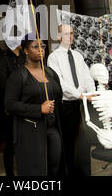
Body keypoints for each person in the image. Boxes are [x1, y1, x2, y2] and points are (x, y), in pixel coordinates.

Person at [5, 35, 66, 176]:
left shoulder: (50, 72)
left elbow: (59, 96)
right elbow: (9, 104)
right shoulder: (19, 75)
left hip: (52, 129)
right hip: (30, 132)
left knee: (55, 167)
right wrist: (39, 109)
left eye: (43, 46)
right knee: (35, 171)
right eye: (35, 46)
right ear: (26, 50)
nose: (41, 50)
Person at [47, 24, 95, 176]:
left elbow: (87, 76)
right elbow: (59, 82)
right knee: (69, 144)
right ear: (59, 36)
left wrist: (91, 93)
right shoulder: (53, 57)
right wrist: (78, 94)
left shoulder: (78, 55)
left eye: (72, 33)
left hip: (83, 104)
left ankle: (85, 173)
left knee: (84, 143)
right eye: (67, 33)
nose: (71, 36)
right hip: (67, 105)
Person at [0, 42, 26, 176]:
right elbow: (3, 84)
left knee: (25, 142)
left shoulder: (25, 56)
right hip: (11, 107)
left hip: (27, 105)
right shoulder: (3, 58)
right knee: (11, 143)